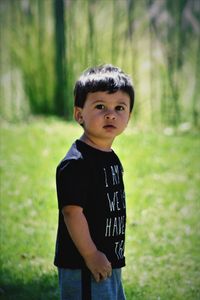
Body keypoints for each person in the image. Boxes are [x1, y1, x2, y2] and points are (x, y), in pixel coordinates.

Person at [54, 64, 135, 300]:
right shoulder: (77, 163)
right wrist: (90, 255)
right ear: (79, 114)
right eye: (100, 106)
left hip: (106, 259)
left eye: (119, 107)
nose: (111, 114)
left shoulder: (109, 156)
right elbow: (72, 213)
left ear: (128, 116)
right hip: (84, 264)